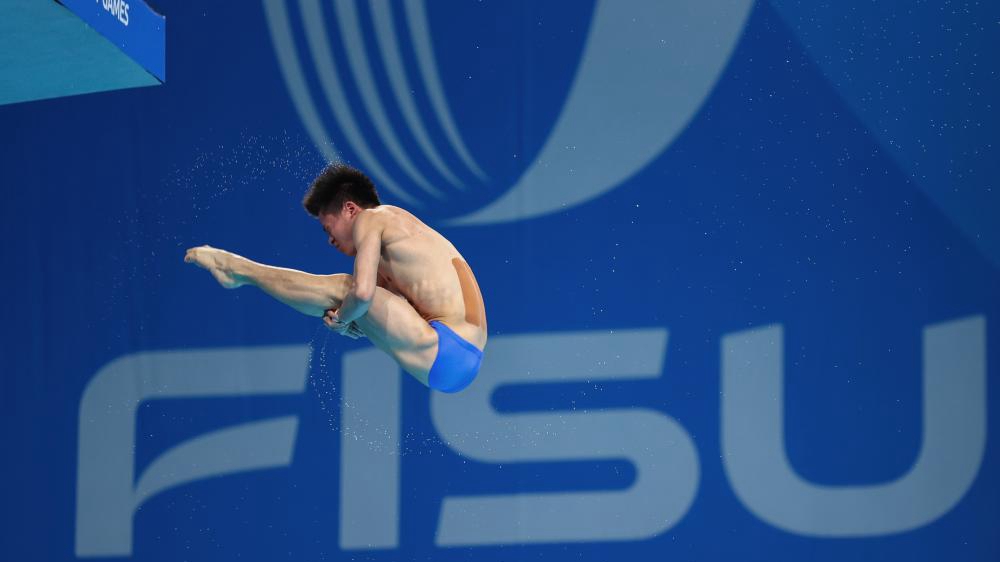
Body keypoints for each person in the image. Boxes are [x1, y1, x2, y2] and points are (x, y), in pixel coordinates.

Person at [184, 164, 487, 392]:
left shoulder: (373, 218)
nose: (329, 240)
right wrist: (350, 318)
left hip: (444, 346)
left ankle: (237, 269)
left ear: (350, 209)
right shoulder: (403, 237)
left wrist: (342, 319)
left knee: (345, 287)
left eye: (328, 229)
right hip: (462, 358)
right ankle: (239, 272)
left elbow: (363, 293)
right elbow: (379, 305)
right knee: (350, 297)